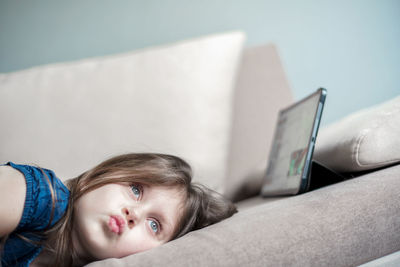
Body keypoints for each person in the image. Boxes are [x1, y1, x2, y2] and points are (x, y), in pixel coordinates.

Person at [0, 153, 237, 267]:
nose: (134, 214)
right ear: (108, 173)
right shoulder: (41, 194)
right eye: (136, 190)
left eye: (154, 225)